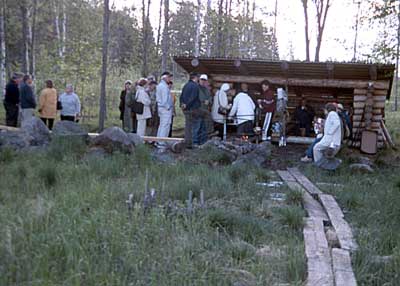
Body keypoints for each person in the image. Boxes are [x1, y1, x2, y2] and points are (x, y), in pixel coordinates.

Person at [180, 72, 201, 148]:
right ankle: (193, 143)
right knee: (195, 126)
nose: (198, 79)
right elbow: (193, 97)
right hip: (192, 109)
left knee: (187, 126)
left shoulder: (186, 85)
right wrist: (187, 105)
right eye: (198, 77)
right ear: (195, 78)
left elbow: (181, 96)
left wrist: (182, 104)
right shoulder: (195, 86)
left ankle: (187, 142)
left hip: (186, 109)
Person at [156, 72, 174, 148]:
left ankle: (159, 141)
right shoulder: (163, 86)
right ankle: (161, 142)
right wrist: (168, 107)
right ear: (164, 78)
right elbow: (164, 100)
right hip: (165, 108)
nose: (170, 79)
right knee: (165, 125)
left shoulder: (161, 85)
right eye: (169, 77)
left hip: (162, 108)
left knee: (162, 125)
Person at [198, 74, 213, 144]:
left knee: (205, 127)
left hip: (205, 110)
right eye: (202, 80)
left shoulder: (207, 90)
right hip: (198, 109)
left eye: (204, 80)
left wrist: (209, 101)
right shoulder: (196, 88)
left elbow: (210, 98)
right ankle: (196, 142)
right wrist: (204, 101)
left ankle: (203, 141)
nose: (203, 82)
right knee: (198, 126)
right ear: (199, 80)